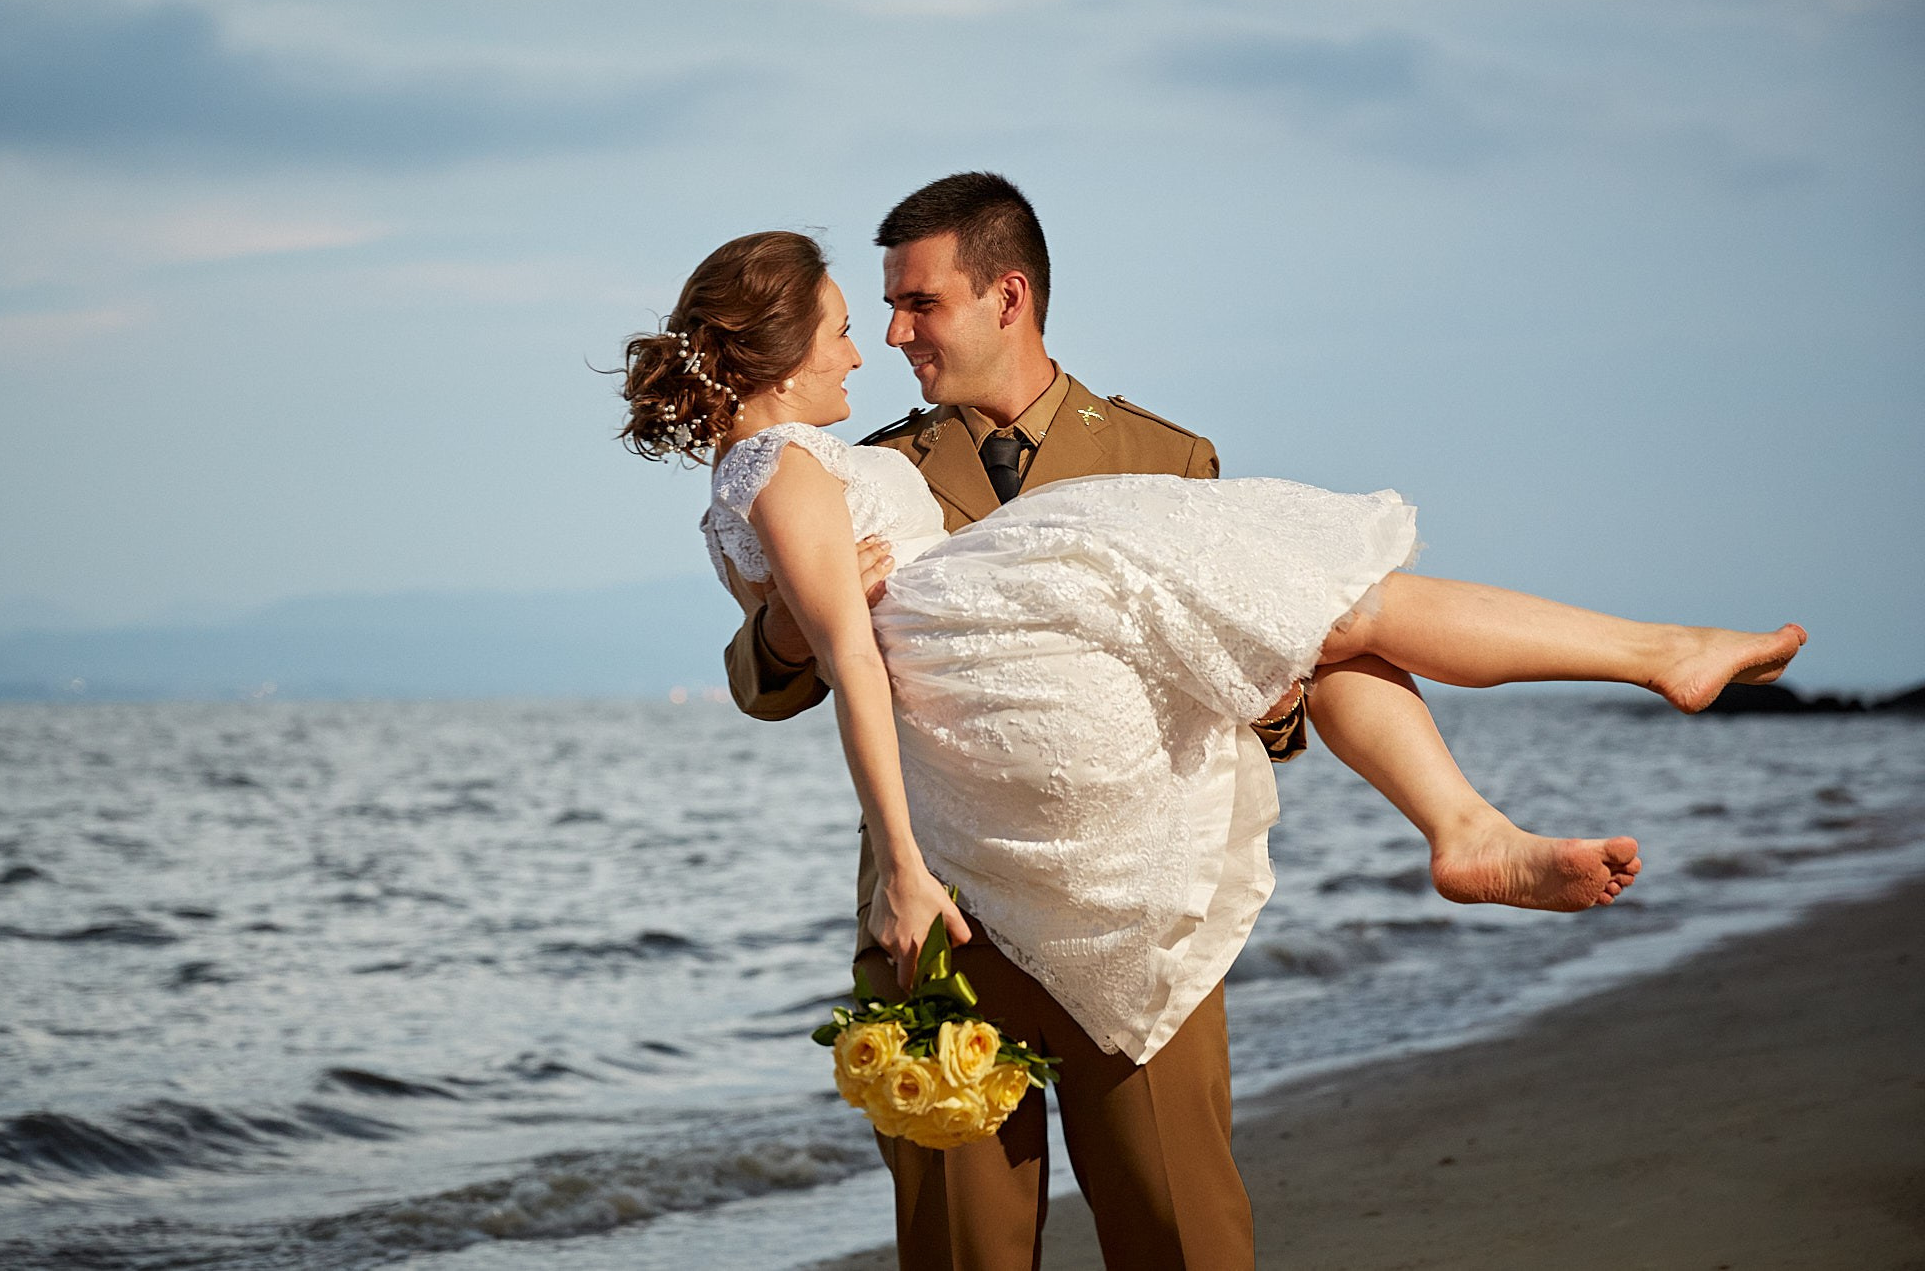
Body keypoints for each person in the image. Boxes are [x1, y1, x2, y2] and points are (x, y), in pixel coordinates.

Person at [625, 189, 1802, 1270]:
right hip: (947, 906)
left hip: (1140, 900)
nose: (890, 336)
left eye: (918, 303)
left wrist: (1274, 702)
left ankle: (1510, 789)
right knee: (958, 1252)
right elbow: (768, 678)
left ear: (1006, 296)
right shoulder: (861, 460)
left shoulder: (1165, 458)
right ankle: (1563, 739)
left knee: (1178, 1236)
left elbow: (1253, 692)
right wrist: (791, 623)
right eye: (875, 310)